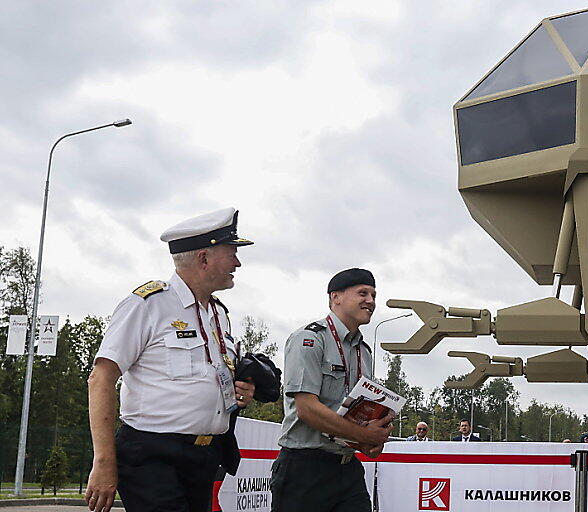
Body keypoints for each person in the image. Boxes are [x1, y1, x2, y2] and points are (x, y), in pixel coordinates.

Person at [85, 207, 257, 512]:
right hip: (153, 457)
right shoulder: (147, 305)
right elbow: (101, 378)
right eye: (231, 253)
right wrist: (104, 461)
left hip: (204, 457)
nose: (238, 263)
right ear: (204, 258)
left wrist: (238, 392)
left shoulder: (217, 314)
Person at [271, 268, 394, 512]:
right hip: (305, 469)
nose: (370, 301)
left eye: (373, 295)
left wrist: (372, 438)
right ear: (335, 297)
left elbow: (355, 411)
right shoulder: (309, 339)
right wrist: (363, 435)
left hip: (347, 467)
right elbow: (307, 409)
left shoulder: (364, 351)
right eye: (362, 293)